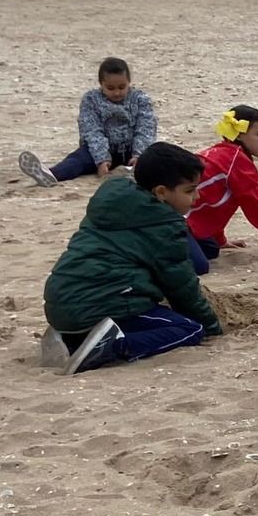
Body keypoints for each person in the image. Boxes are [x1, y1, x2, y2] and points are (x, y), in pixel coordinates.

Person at [42, 142, 224, 375]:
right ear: (161, 192)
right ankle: (110, 346)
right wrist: (211, 326)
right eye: (189, 190)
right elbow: (181, 285)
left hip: (61, 303)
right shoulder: (163, 225)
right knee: (189, 329)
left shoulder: (115, 204)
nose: (197, 197)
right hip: (99, 304)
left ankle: (71, 337)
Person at [186, 106, 258, 262]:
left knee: (210, 249)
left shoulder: (222, 154)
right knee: (200, 263)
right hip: (177, 219)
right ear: (240, 135)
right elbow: (257, 206)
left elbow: (214, 201)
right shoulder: (237, 161)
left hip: (182, 215)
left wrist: (219, 240)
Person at [19, 57, 158, 186]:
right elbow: (92, 131)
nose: (117, 93)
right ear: (101, 84)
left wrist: (139, 154)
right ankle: (51, 175)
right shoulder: (91, 100)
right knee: (77, 160)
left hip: (132, 150)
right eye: (110, 88)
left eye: (122, 87)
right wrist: (102, 159)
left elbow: (146, 128)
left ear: (129, 82)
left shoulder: (140, 99)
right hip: (97, 150)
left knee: (157, 159)